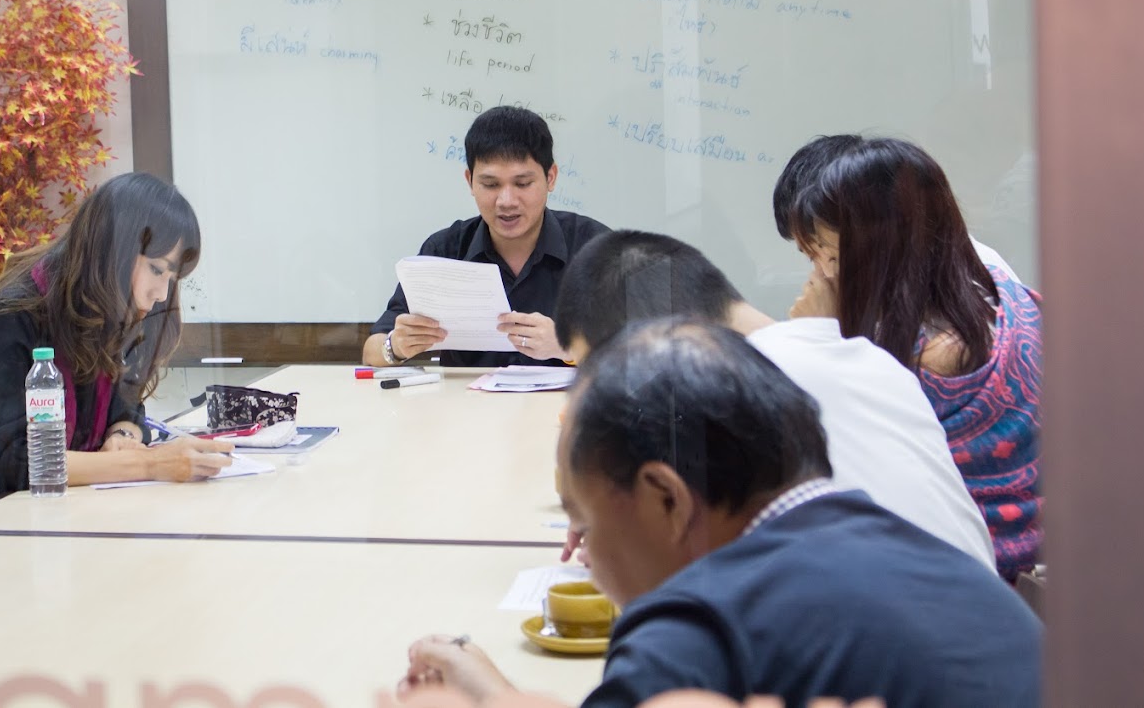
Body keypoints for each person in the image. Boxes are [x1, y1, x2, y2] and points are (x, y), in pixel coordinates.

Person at [399, 319, 1042, 707]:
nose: (586, 556)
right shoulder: (912, 550)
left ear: (666, 498)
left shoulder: (698, 631)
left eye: (586, 525)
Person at [552, 230, 995, 570]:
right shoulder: (867, 358)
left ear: (657, 338)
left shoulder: (729, 391)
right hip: (989, 628)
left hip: (891, 652)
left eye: (610, 376)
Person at [0, 173, 232, 531]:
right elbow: (12, 463)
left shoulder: (102, 309)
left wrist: (122, 437)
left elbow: (127, 408)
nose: (161, 294)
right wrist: (150, 465)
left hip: (54, 517)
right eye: (157, 270)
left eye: (172, 279)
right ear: (114, 250)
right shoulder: (13, 316)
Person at [784, 136, 1042, 580]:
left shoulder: (925, 360)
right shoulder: (999, 286)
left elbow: (831, 457)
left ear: (884, 250)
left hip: (970, 573)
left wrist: (816, 336)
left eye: (831, 255)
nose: (821, 274)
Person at [362, 106, 608, 368]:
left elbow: (635, 356)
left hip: (567, 396)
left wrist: (567, 347)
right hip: (465, 396)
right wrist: (396, 346)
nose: (506, 201)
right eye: (490, 185)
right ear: (470, 181)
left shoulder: (596, 249)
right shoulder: (445, 250)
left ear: (551, 177)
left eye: (523, 184)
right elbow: (371, 352)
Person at [773, 133, 1022, 282]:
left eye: (832, 256)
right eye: (812, 257)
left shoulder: (958, 289)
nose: (824, 274)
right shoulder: (920, 270)